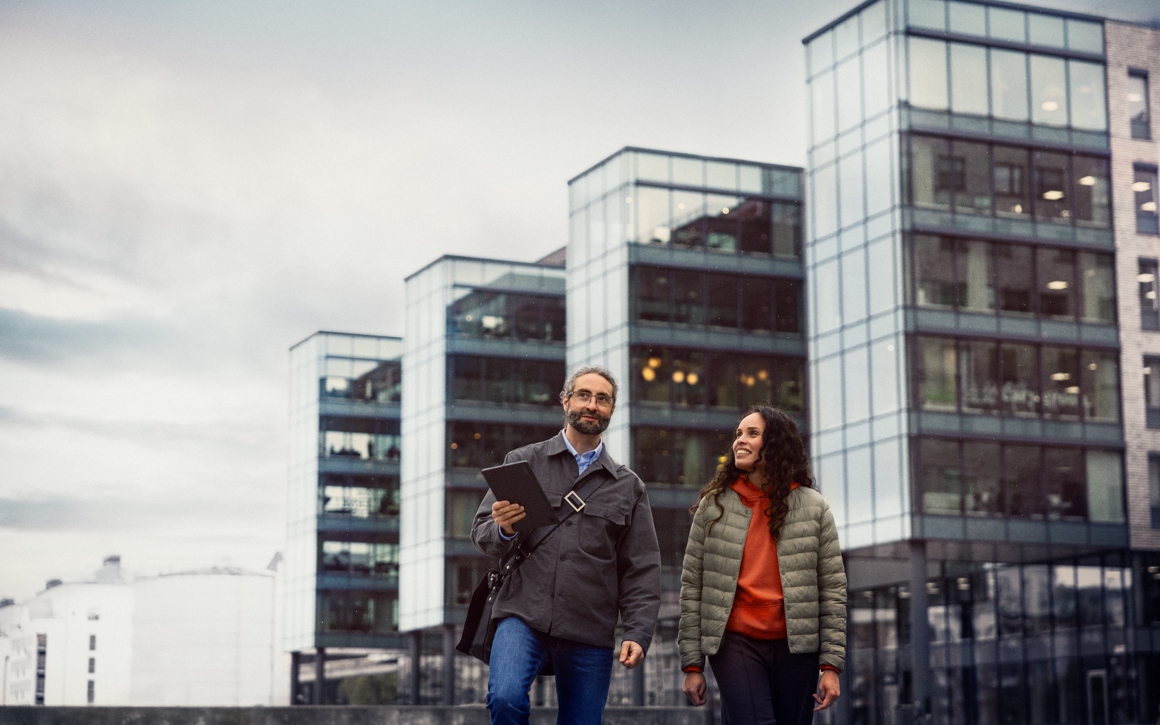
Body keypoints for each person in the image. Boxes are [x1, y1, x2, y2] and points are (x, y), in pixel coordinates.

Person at [470, 365, 661, 725]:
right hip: (522, 613)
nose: (592, 405)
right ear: (565, 401)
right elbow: (482, 534)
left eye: (602, 399)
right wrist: (505, 530)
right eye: (584, 395)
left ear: (611, 409)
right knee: (505, 699)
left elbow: (642, 569)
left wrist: (638, 631)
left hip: (590, 627)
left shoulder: (629, 486)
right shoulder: (523, 461)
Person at [678, 406, 846, 725]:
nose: (740, 440)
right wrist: (692, 665)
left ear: (777, 445)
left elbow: (833, 591)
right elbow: (693, 588)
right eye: (738, 434)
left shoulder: (814, 507)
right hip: (734, 640)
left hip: (798, 647)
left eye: (752, 434)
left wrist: (831, 666)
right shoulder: (712, 507)